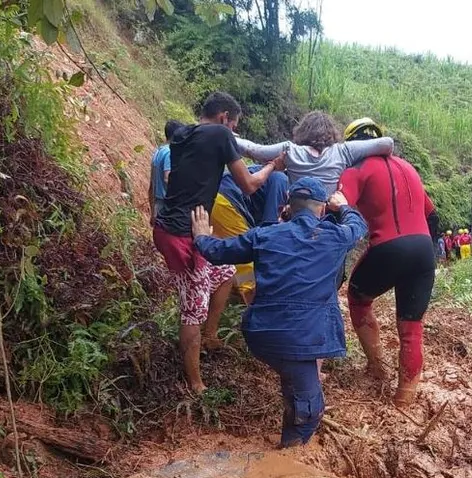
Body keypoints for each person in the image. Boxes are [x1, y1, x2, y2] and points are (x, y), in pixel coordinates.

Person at [191, 177, 368, 447]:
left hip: (261, 334)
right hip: (303, 337)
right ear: (321, 209)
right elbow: (358, 226)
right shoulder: (334, 237)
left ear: (288, 207)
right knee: (309, 411)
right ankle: (288, 464)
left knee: (295, 381)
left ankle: (291, 424)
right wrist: (343, 206)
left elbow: (217, 251)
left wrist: (201, 236)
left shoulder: (264, 235)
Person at [152, 91, 285, 394]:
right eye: (234, 125)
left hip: (173, 227)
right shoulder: (221, 134)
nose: (234, 131)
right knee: (192, 308)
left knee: (225, 272)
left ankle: (209, 336)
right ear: (225, 118)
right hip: (184, 234)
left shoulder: (183, 133)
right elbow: (250, 186)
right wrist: (272, 166)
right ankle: (195, 384)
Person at [338, 118, 439, 406]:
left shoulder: (356, 169)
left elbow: (339, 206)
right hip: (423, 251)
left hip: (387, 247)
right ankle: (404, 400)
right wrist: (428, 253)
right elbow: (432, 215)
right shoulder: (408, 167)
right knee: (411, 328)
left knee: (358, 297)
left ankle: (376, 367)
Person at [234, 111, 394, 195]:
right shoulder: (343, 151)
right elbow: (387, 143)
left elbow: (254, 150)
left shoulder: (290, 150)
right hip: (327, 218)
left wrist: (226, 136)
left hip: (296, 213)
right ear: (331, 132)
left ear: (304, 130)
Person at [209, 165, 289, 304]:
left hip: (213, 197)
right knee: (246, 263)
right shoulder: (280, 179)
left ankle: (230, 297)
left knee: (227, 258)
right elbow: (269, 225)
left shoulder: (263, 171)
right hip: (226, 202)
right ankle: (256, 309)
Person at [148, 119, 183, 222]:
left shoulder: (159, 151)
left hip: (157, 203)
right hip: (166, 205)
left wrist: (152, 210)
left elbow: (151, 185)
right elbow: (168, 178)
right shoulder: (169, 152)